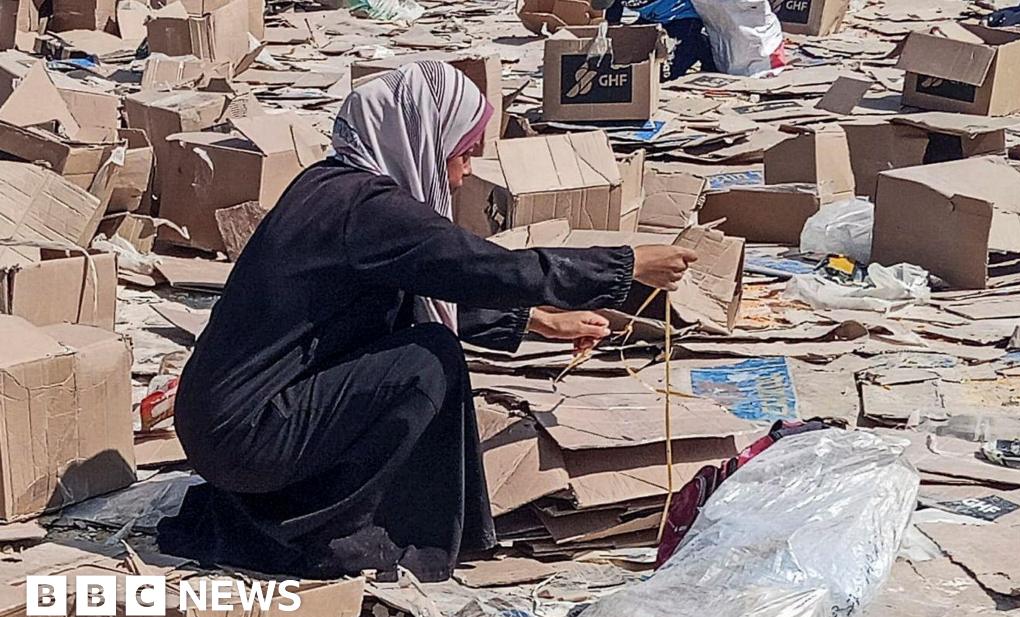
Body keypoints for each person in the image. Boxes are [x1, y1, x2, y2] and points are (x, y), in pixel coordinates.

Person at [156, 62, 698, 583]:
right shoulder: (367, 210)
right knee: (426, 360)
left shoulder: (332, 186)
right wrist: (627, 266)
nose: (462, 176)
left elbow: (425, 284)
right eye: (461, 155)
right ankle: (338, 534)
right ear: (421, 138)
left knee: (416, 342)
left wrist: (537, 323)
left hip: (225, 429)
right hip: (244, 438)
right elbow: (478, 267)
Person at [593, 0, 716, 81]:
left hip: (682, 16)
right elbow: (613, 22)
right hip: (651, 19)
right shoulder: (615, 4)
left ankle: (701, 45)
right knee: (637, 67)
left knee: (669, 74)